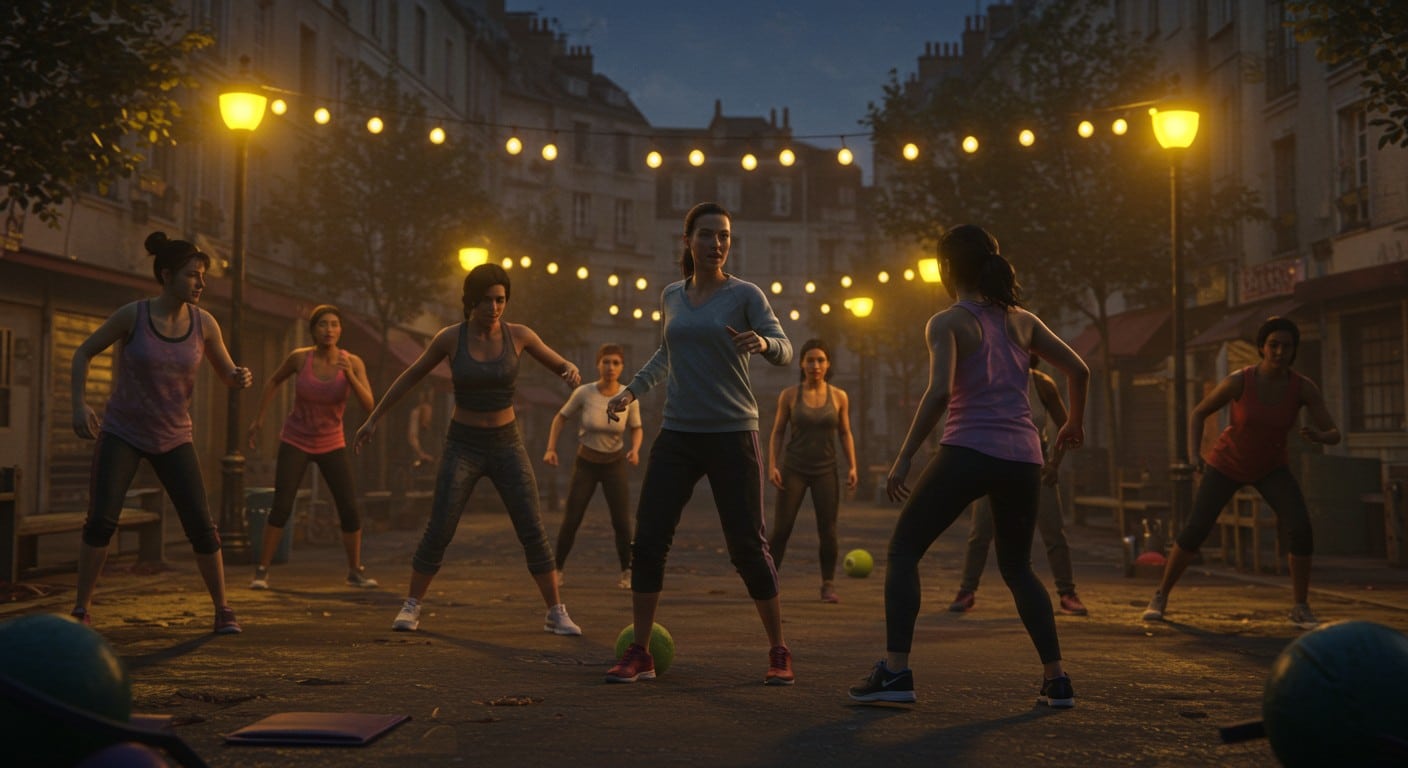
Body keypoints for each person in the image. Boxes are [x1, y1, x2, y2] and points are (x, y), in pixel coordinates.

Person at [848, 224, 1088, 706]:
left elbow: (939, 392)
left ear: (946, 268)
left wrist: (905, 456)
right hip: (1024, 458)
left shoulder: (947, 322)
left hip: (969, 450)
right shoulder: (1023, 321)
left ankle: (896, 674)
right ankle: (1056, 679)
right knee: (1019, 568)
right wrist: (1072, 425)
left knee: (903, 551)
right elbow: (1080, 370)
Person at [603, 202, 795, 685]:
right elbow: (666, 354)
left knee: (748, 545)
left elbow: (784, 346)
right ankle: (640, 652)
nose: (717, 244)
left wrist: (763, 343)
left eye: (724, 236)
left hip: (733, 432)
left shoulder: (745, 294)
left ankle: (778, 649)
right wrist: (630, 390)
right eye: (707, 235)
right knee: (647, 541)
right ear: (687, 240)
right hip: (679, 433)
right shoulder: (671, 295)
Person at [352, 263, 583, 635]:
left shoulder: (519, 335)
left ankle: (555, 611)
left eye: (501, 300)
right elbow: (411, 375)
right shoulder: (449, 338)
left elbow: (560, 363)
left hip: (507, 443)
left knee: (532, 527)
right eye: (487, 300)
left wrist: (569, 368)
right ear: (471, 301)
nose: (494, 307)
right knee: (440, 525)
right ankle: (411, 605)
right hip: (463, 444)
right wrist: (373, 418)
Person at [69, 231, 253, 634]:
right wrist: (79, 403)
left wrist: (240, 377)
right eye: (192, 275)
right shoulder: (132, 316)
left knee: (201, 526)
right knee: (101, 521)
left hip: (174, 436)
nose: (201, 283)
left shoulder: (205, 324)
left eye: (203, 276)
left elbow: (227, 373)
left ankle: (223, 609)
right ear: (167, 275)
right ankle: (82, 609)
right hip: (123, 431)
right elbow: (83, 352)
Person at [1142, 316, 1340, 629]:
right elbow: (1199, 413)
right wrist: (1196, 456)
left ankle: (1300, 606)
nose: (1279, 352)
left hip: (1271, 468)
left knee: (1300, 529)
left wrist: (1319, 435)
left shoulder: (1302, 388)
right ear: (1262, 347)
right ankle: (1160, 596)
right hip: (1227, 464)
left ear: (1294, 350)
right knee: (1196, 530)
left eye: (1286, 347)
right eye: (1273, 345)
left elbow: (1334, 432)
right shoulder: (1240, 381)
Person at [245, 304, 377, 590]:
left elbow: (370, 405)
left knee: (349, 508)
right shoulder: (299, 358)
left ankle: (355, 570)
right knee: (281, 505)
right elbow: (273, 381)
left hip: (332, 441)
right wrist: (259, 419)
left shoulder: (352, 361)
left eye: (334, 325)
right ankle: (262, 570)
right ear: (313, 330)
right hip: (296, 439)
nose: (328, 330)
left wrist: (350, 376)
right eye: (322, 325)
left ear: (341, 330)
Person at [949, 355, 1088, 616]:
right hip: (993, 463)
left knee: (1053, 532)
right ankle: (967, 590)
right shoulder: (988, 383)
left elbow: (1064, 426)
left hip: (1034, 466)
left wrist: (1054, 464)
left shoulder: (1041, 385)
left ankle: (1067, 593)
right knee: (980, 532)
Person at [543, 344, 643, 589]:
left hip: (614, 463)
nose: (610, 367)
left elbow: (636, 427)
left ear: (622, 367)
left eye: (616, 363)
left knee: (621, 521)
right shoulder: (585, 393)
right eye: (606, 362)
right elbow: (561, 417)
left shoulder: (628, 396)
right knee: (572, 517)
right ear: (598, 365)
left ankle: (627, 572)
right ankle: (558, 569)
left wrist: (635, 449)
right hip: (586, 462)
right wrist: (550, 448)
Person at [765, 338, 858, 604]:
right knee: (782, 529)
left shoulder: (839, 396)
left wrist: (853, 466)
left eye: (820, 360)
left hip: (826, 469)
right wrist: (772, 465)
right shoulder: (790, 395)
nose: (815, 365)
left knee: (827, 530)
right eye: (810, 360)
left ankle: (827, 584)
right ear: (801, 364)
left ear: (828, 364)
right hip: (794, 468)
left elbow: (845, 432)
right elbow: (778, 431)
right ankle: (767, 581)